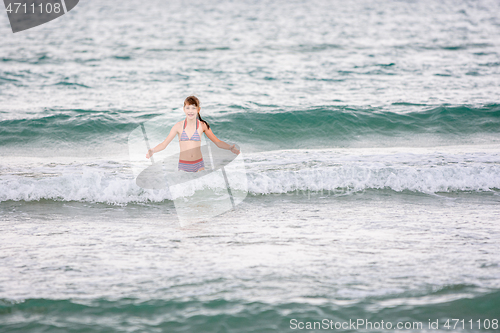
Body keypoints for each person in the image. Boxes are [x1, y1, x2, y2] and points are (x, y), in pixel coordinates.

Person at [146, 96, 240, 172]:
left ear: (198, 109)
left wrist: (230, 147)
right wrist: (153, 150)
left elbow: (217, 142)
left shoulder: (202, 125)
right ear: (184, 109)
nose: (190, 111)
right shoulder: (178, 126)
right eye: (188, 108)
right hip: (183, 165)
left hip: (198, 165)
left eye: (193, 108)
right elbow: (164, 144)